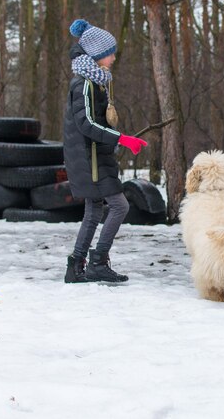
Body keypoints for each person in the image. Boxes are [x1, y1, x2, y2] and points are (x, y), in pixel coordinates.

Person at [63, 19, 147, 283]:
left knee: (93, 210)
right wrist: (122, 139)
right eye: (110, 52)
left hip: (94, 157)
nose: (113, 57)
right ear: (97, 54)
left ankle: (76, 266)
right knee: (120, 206)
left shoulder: (95, 82)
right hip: (91, 160)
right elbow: (85, 124)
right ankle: (97, 260)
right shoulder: (84, 84)